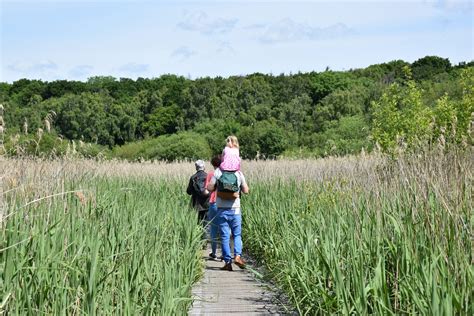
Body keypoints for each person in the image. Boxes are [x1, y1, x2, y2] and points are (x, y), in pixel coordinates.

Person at [207, 167, 249, 271]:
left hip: (221, 209)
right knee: (237, 235)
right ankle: (237, 256)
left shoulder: (218, 172)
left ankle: (227, 263)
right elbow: (246, 191)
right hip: (235, 210)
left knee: (225, 237)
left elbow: (209, 188)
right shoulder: (239, 173)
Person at [203, 155, 222, 260]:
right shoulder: (226, 173)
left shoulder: (211, 174)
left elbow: (206, 191)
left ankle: (214, 252)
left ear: (213, 164)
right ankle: (225, 253)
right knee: (224, 229)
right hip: (224, 204)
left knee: (213, 229)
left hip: (213, 203)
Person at [186, 160, 209, 224]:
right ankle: (206, 234)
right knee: (207, 223)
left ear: (196, 167)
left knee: (199, 223)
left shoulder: (193, 177)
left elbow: (189, 192)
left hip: (197, 205)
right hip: (207, 203)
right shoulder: (208, 176)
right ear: (204, 167)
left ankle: (199, 233)